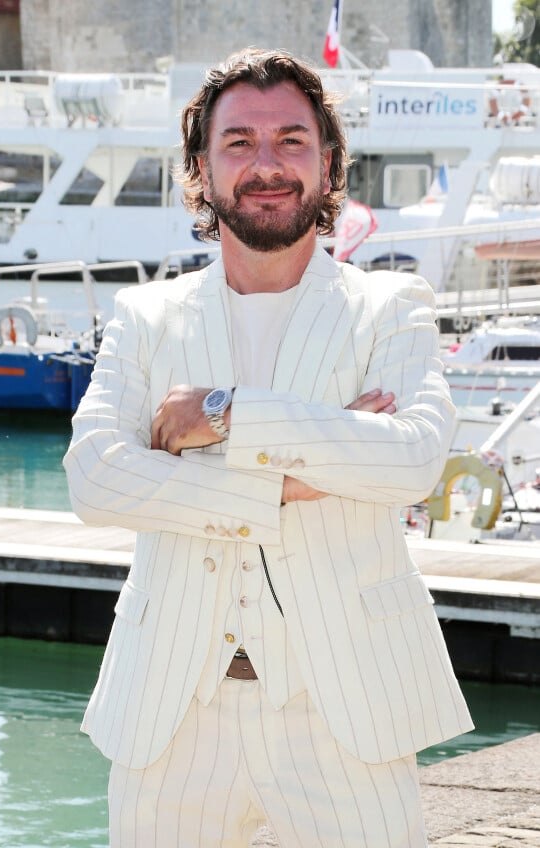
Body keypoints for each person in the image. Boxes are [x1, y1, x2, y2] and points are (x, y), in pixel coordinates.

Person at [64, 47, 473, 848]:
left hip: (345, 708)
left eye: (292, 140)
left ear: (327, 165)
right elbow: (94, 480)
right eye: (239, 143)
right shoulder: (144, 316)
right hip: (170, 713)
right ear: (203, 170)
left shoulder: (391, 305)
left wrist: (221, 415)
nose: (267, 165)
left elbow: (411, 457)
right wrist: (289, 482)